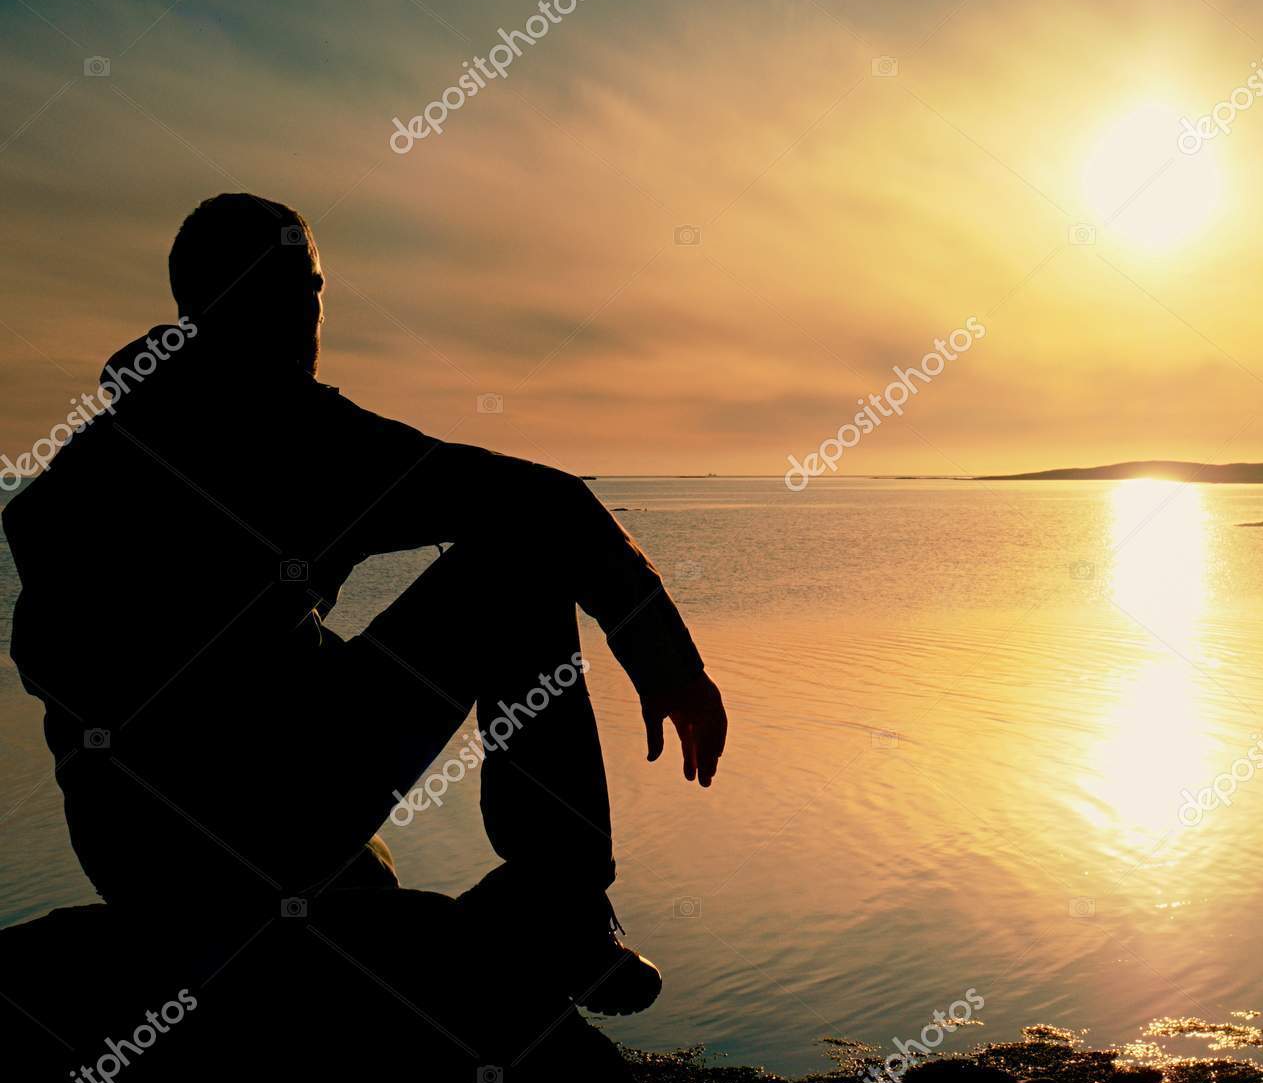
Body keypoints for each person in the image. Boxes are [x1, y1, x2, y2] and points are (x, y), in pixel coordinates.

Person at [2, 193, 726, 1018]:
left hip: (127, 849)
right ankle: (558, 904)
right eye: (293, 289)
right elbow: (549, 507)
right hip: (250, 823)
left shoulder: (87, 459)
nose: (307, 315)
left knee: (333, 806)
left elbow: (64, 664)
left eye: (310, 290)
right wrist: (670, 666)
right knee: (519, 570)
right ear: (217, 301)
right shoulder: (294, 431)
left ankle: (338, 893)